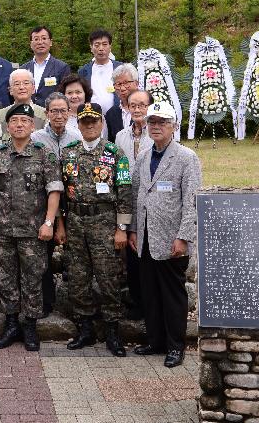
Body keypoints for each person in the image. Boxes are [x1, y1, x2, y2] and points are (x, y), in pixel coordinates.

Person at [129, 102, 200, 368]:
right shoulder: (145, 156)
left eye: (162, 122)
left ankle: (175, 346)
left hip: (172, 239)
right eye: (152, 122)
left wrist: (183, 236)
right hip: (146, 237)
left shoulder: (186, 157)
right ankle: (155, 340)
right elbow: (136, 195)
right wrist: (134, 229)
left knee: (172, 295)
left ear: (173, 126)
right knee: (150, 292)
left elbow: (191, 200)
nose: (156, 127)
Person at [60, 102, 133, 357]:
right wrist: (61, 224)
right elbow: (61, 193)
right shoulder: (68, 153)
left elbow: (124, 193)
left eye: (94, 121)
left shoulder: (115, 153)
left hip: (104, 223)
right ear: (78, 125)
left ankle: (113, 332)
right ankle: (85, 329)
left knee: (108, 277)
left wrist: (122, 228)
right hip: (76, 223)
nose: (89, 126)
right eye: (84, 122)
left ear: (101, 124)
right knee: (78, 278)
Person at [0, 104, 63, 351]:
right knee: (6, 279)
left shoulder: (44, 154)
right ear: (7, 126)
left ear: (33, 126)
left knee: (33, 279)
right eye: (15, 121)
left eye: (24, 120)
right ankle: (11, 324)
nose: (19, 124)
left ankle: (30, 326)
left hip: (34, 231)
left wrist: (49, 222)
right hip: (4, 231)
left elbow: (54, 190)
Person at [31, 92, 82, 315]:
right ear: (46, 113)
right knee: (44, 255)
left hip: (74, 205)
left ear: (70, 112)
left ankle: (76, 306)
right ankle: (45, 302)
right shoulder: (36, 139)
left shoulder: (77, 137)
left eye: (63, 110)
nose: (59, 115)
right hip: (45, 206)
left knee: (76, 258)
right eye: (54, 111)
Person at [113, 89, 154, 321]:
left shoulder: (157, 133)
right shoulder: (120, 136)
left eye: (142, 105)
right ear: (127, 108)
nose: (137, 109)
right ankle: (137, 303)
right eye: (133, 105)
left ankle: (151, 305)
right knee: (132, 256)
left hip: (150, 200)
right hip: (127, 199)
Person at [0, 69, 46, 150]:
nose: (21, 87)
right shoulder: (1, 115)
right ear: (10, 90)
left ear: (33, 88)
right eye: (17, 84)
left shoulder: (44, 114)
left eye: (26, 83)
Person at [21, 26, 71, 106]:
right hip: (27, 113)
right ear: (31, 44)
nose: (40, 42)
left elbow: (66, 94)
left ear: (50, 42)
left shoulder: (62, 67)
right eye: (36, 39)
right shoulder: (23, 69)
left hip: (52, 113)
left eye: (44, 38)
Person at [77, 29, 123, 114]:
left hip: (118, 116)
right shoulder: (83, 71)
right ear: (91, 48)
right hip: (92, 118)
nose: (101, 48)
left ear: (110, 46)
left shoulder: (121, 68)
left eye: (105, 44)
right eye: (97, 45)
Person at [105, 63, 140, 141]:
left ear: (136, 83)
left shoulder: (148, 108)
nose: (122, 88)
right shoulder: (111, 114)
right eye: (118, 84)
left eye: (126, 83)